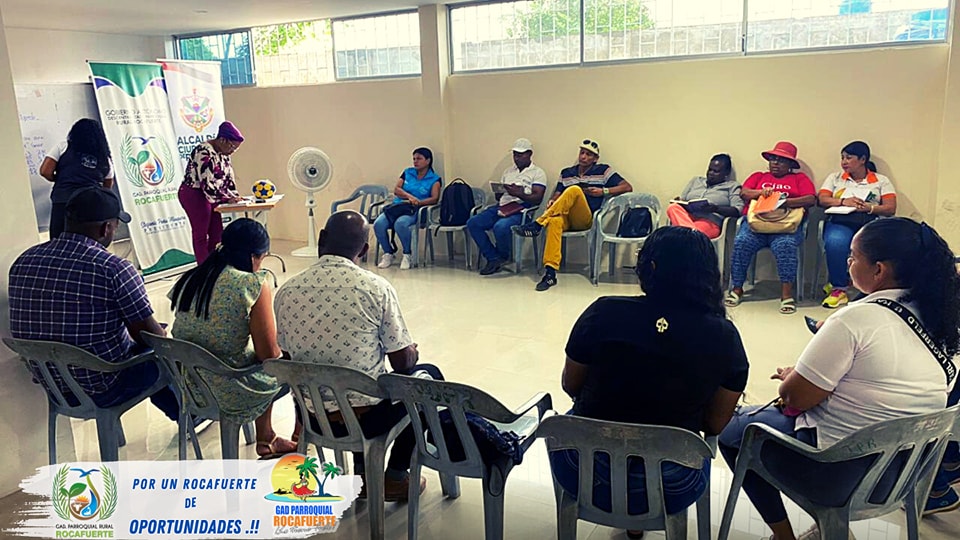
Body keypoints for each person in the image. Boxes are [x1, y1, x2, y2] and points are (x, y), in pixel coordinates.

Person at [719, 217, 960, 540]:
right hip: (905, 474)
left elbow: (794, 397)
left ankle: (785, 536)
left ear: (878, 270)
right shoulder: (942, 322)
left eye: (853, 256)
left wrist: (796, 376)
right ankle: (825, 530)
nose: (848, 263)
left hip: (840, 477)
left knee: (733, 431)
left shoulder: (855, 319)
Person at [555, 227, 748, 539]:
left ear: (651, 267)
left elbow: (571, 385)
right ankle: (636, 518)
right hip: (672, 484)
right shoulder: (725, 337)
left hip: (584, 473)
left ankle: (630, 516)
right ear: (709, 275)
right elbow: (714, 424)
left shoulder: (604, 312)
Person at [276, 210, 442, 500]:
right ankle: (395, 475)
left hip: (312, 418)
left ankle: (364, 476)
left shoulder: (287, 291)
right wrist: (411, 351)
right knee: (428, 379)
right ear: (364, 250)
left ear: (321, 238)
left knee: (352, 380)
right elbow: (401, 363)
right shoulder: (375, 288)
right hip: (367, 421)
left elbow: (289, 357)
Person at [9, 187, 178, 420]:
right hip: (102, 388)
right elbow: (150, 337)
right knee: (159, 356)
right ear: (106, 228)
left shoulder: (24, 261)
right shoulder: (113, 269)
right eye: (115, 226)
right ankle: (189, 415)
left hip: (52, 387)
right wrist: (160, 333)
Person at [169, 218, 298, 459]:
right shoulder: (251, 283)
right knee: (289, 365)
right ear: (253, 257)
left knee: (247, 355)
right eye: (262, 258)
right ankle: (286, 437)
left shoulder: (191, 278)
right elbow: (268, 355)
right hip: (231, 389)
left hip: (190, 387)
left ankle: (266, 437)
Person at [513, 138, 633, 291]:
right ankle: (550, 274)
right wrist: (552, 201)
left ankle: (538, 224)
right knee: (554, 221)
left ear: (595, 159)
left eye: (589, 154)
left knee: (574, 190)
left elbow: (627, 187)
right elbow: (557, 194)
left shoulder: (603, 170)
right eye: (582, 153)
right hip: (565, 217)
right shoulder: (567, 173)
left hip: (585, 218)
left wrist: (603, 191)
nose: (584, 157)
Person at [726, 141, 816, 314]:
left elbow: (811, 199)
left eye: (781, 160)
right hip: (756, 225)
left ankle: (786, 295)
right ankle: (737, 288)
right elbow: (744, 193)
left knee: (786, 246)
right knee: (742, 242)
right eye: (773, 159)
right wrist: (761, 193)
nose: (775, 163)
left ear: (790, 164)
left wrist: (781, 201)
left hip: (785, 227)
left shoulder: (799, 179)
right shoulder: (759, 176)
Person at [817, 141, 896, 309]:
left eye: (849, 158)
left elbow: (890, 208)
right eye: (842, 158)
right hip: (840, 221)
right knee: (836, 242)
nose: (844, 162)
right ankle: (839, 289)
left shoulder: (881, 181)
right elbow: (822, 200)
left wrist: (870, 208)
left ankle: (871, 287)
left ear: (862, 159)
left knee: (872, 246)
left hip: (869, 223)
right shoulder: (835, 178)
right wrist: (843, 201)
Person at [467, 138, 547, 275]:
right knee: (473, 223)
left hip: (521, 210)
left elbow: (537, 199)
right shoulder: (508, 172)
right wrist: (499, 192)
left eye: (520, 155)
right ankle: (493, 258)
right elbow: (499, 198)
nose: (517, 158)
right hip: (502, 206)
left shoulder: (538, 173)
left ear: (529, 154)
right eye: (515, 154)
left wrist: (519, 193)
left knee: (500, 226)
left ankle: (503, 256)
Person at [179, 121, 245, 265]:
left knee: (217, 232)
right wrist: (226, 199)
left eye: (236, 149)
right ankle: (204, 269)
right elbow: (207, 183)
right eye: (232, 147)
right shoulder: (204, 151)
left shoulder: (224, 153)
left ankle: (214, 265)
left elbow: (228, 178)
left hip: (213, 195)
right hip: (194, 193)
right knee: (201, 234)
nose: (232, 151)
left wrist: (235, 196)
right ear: (222, 140)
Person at [39, 119, 115, 239]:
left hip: (63, 199)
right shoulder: (105, 158)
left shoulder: (63, 147)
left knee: (59, 239)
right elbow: (108, 186)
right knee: (87, 240)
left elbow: (45, 171)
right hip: (90, 204)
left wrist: (60, 179)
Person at [374, 147, 442, 270]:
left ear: (428, 161)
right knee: (378, 224)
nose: (415, 161)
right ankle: (388, 253)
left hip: (415, 210)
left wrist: (418, 202)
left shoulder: (434, 179)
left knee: (400, 224)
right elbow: (397, 190)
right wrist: (410, 197)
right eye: (414, 159)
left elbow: (434, 198)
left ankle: (407, 254)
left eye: (419, 159)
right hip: (398, 206)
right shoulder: (407, 172)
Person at [666, 154, 743, 239]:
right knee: (673, 207)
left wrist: (716, 208)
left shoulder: (732, 186)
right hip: (687, 218)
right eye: (710, 169)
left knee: (680, 236)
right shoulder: (696, 181)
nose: (711, 173)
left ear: (726, 173)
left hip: (709, 222)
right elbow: (683, 200)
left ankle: (688, 236)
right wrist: (679, 202)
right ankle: (690, 235)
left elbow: (738, 210)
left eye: (716, 171)